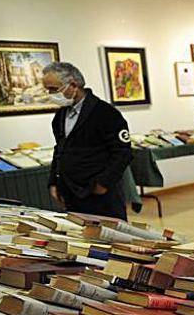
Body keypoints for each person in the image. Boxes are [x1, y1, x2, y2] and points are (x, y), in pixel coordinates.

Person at [44, 62, 133, 220]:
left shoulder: (106, 113)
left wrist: (103, 184)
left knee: (110, 239)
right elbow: (59, 150)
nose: (50, 94)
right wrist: (53, 182)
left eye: (54, 89)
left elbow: (123, 152)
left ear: (73, 85)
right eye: (48, 89)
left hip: (99, 193)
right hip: (71, 191)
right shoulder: (60, 116)